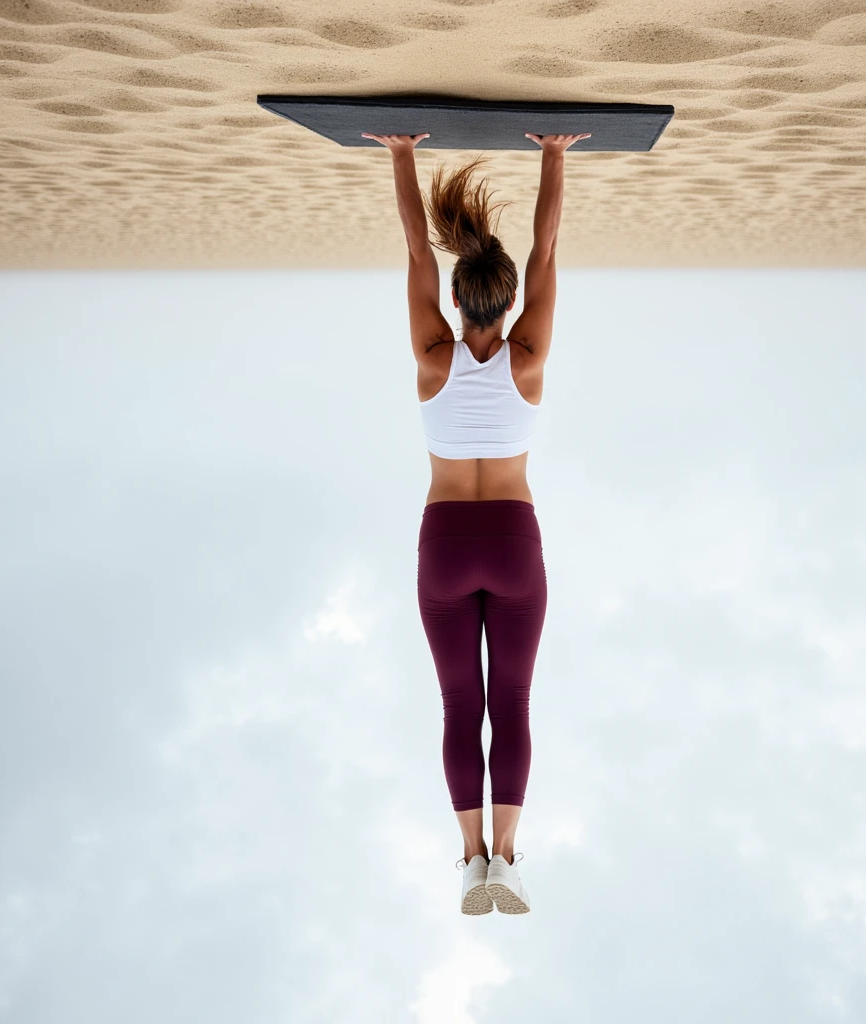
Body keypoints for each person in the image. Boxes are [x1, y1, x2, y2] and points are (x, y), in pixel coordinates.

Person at [361, 128, 591, 914]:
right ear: (505, 303)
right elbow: (547, 251)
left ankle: (471, 860)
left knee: (464, 703)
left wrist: (400, 153)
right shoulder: (528, 358)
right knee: (512, 703)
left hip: (447, 546)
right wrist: (555, 153)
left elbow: (416, 255)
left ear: (459, 301)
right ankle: (507, 859)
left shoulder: (433, 355)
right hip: (514, 545)